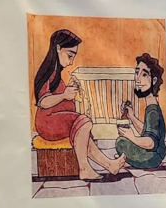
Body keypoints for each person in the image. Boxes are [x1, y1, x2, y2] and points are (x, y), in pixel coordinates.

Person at [33, 29, 126, 180]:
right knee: (84, 122)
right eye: (70, 55)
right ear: (57, 48)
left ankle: (110, 165)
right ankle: (84, 168)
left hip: (56, 120)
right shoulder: (48, 72)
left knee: (83, 133)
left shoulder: (57, 74)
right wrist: (64, 95)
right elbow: (43, 102)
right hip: (48, 123)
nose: (71, 61)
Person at [116, 53, 166, 169]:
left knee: (121, 142)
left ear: (154, 80)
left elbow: (150, 142)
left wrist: (132, 137)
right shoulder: (151, 105)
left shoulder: (153, 111)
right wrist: (132, 117)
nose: (138, 78)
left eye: (144, 74)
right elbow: (146, 130)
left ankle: (127, 160)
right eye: (137, 72)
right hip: (157, 153)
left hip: (152, 157)